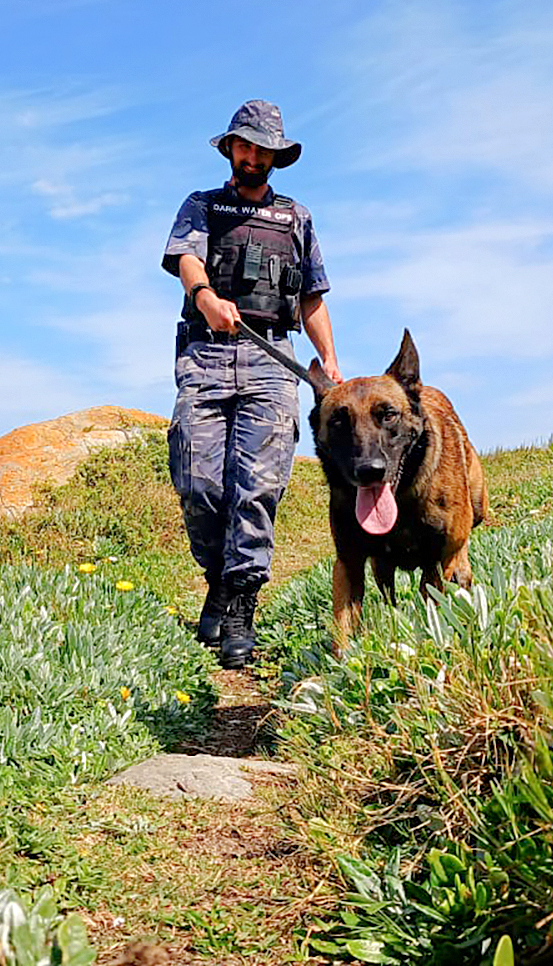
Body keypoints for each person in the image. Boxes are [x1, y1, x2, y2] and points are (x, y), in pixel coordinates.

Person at [162, 99, 343, 669]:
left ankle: (240, 602)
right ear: (231, 149)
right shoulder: (202, 205)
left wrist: (329, 364)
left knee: (257, 488)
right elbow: (188, 261)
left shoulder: (298, 218)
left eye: (263, 150)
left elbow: (311, 297)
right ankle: (218, 579)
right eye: (245, 146)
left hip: (273, 361)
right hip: (207, 355)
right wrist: (206, 297)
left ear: (275, 157)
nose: (253, 157)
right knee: (200, 483)